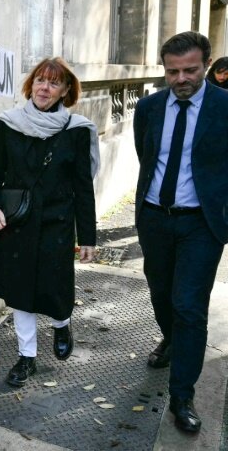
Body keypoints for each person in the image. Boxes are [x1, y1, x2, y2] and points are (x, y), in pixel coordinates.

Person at [0, 57, 99, 388]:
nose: (44, 87)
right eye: (40, 80)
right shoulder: (9, 124)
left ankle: (62, 323)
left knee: (55, 286)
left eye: (53, 82)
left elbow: (82, 188)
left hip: (57, 222)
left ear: (64, 91)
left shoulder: (76, 131)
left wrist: (88, 237)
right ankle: (26, 357)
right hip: (17, 221)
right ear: (31, 85)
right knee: (20, 292)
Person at [133, 31, 228, 434]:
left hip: (201, 223)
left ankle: (182, 395)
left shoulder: (224, 107)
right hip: (155, 217)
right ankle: (171, 340)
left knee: (189, 305)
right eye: (172, 71)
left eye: (189, 69)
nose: (180, 78)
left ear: (206, 64)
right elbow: (146, 154)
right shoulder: (149, 107)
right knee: (160, 292)